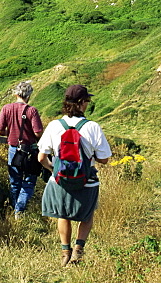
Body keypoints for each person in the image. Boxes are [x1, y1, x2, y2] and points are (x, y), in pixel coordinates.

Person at [38, 84, 111, 266]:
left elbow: (41, 157)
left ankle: (65, 252)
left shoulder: (55, 125)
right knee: (86, 215)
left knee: (63, 214)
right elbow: (104, 159)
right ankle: (79, 249)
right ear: (81, 103)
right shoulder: (92, 127)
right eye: (87, 100)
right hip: (86, 181)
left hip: (60, 181)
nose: (88, 103)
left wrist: (53, 170)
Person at [0, 81, 44, 219]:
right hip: (29, 150)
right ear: (29, 96)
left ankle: (15, 209)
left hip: (13, 149)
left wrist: (11, 133)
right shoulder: (31, 110)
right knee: (29, 180)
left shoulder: (6, 108)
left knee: (14, 181)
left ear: (16, 94)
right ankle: (19, 210)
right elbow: (38, 132)